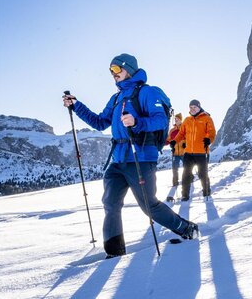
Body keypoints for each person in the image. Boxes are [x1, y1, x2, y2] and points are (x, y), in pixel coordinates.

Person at [62, 53, 198, 258]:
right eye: (110, 70)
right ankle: (114, 252)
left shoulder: (147, 92)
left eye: (116, 69)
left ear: (129, 70)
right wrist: (76, 105)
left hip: (140, 157)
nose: (113, 74)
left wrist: (137, 122)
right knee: (110, 203)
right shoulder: (116, 98)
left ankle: (186, 228)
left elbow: (160, 120)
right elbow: (100, 123)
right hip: (118, 159)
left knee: (148, 205)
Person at [170, 99, 216, 200]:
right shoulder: (187, 120)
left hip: (201, 151)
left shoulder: (206, 118)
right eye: (191, 107)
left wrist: (209, 139)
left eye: (194, 107)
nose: (192, 109)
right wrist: (174, 141)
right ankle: (185, 195)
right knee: (186, 174)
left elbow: (211, 132)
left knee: (202, 173)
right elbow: (181, 134)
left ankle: (206, 192)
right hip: (188, 153)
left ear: (199, 107)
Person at [166, 113, 187, 187]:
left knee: (187, 167)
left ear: (181, 120)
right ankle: (175, 182)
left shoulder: (185, 129)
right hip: (175, 153)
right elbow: (168, 140)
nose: (176, 120)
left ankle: (188, 179)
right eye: (175, 119)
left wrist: (186, 144)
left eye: (177, 119)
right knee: (175, 169)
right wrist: (164, 143)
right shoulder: (172, 131)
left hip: (184, 152)